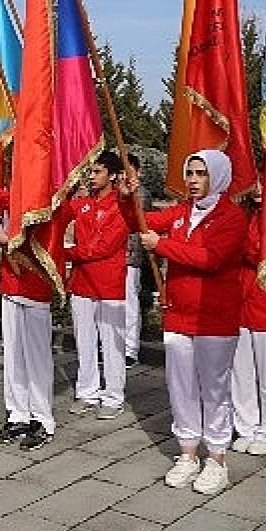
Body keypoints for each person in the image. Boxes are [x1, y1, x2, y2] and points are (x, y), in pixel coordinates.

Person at [139, 149, 247, 496]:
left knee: (214, 390)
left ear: (217, 175)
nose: (193, 180)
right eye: (190, 173)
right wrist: (128, 197)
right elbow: (139, 222)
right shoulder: (182, 211)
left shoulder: (232, 217)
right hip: (179, 314)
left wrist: (163, 246)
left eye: (200, 173)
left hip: (215, 318)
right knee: (180, 385)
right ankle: (188, 452)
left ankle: (217, 459)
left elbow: (212, 259)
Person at [0, 172, 58, 451]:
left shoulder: (48, 203)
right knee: (14, 356)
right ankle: (18, 413)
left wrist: (6, 240)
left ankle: (42, 419)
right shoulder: (17, 198)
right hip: (11, 285)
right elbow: (0, 197)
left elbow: (42, 242)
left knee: (37, 358)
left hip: (34, 287)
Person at [64, 151, 130, 422]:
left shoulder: (122, 207)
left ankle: (113, 397)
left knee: (112, 345)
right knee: (85, 341)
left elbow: (104, 247)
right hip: (82, 283)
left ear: (112, 175)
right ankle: (87, 392)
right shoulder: (83, 204)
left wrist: (67, 252)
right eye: (89, 171)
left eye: (97, 171)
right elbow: (56, 212)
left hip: (109, 283)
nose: (91, 176)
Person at [230, 188, 266, 457]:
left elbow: (265, 255)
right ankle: (245, 426)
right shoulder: (243, 215)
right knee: (241, 372)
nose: (258, 189)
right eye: (255, 182)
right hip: (241, 300)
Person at [123, 152, 152, 369]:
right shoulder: (118, 194)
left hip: (131, 257)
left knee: (131, 304)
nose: (125, 175)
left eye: (129, 170)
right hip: (113, 259)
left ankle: (130, 348)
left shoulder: (141, 194)